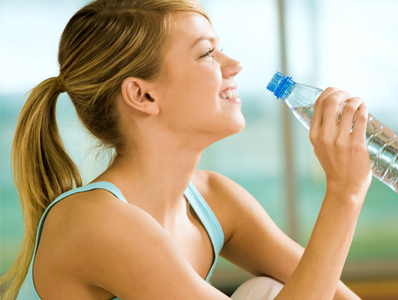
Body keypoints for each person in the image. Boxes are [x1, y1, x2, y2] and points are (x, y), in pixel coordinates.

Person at [0, 0, 371, 299]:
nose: (234, 65)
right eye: (207, 53)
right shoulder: (98, 222)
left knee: (265, 291)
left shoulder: (214, 201)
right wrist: (345, 192)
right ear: (143, 95)